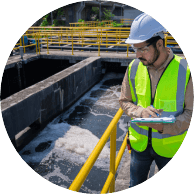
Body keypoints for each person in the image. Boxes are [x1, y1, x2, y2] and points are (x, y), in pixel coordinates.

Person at [119, 13, 193, 188]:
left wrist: (163, 126)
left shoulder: (185, 70)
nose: (137, 55)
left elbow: (190, 113)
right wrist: (140, 112)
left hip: (171, 148)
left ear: (160, 44)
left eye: (142, 49)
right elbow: (124, 100)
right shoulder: (134, 67)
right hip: (139, 147)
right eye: (135, 49)